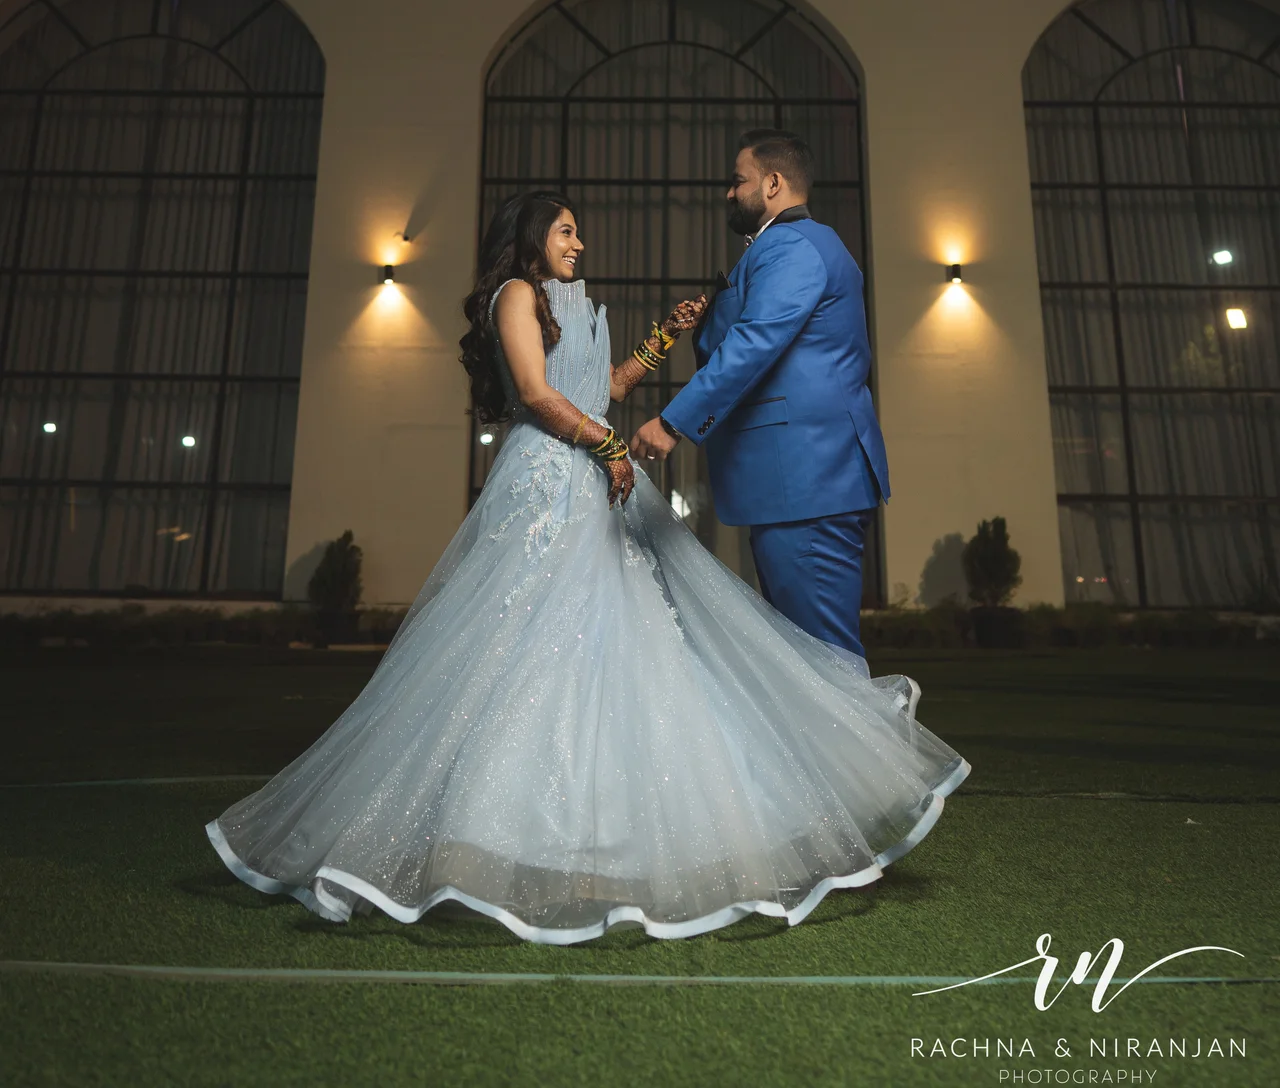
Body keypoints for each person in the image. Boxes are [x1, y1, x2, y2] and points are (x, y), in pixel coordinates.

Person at [207, 190, 967, 943]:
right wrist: (608, 448)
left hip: (599, 481)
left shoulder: (575, 302)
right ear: (533, 237)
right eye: (566, 232)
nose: (578, 244)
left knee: (621, 640)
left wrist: (663, 341)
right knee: (520, 641)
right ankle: (490, 833)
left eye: (579, 234)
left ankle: (607, 835)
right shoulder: (516, 294)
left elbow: (598, 390)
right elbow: (537, 395)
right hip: (549, 479)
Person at [632, 130, 887, 664]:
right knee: (806, 663)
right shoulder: (790, 246)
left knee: (826, 661)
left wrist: (673, 421)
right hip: (798, 482)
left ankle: (865, 751)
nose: (729, 192)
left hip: (809, 478)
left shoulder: (793, 245)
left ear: (773, 183)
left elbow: (756, 343)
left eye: (738, 180)